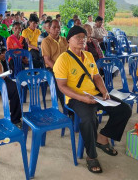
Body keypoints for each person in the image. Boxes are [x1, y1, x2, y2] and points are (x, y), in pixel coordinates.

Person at [54, 26, 132, 174]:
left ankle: (102, 137)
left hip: (95, 94)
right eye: (78, 37)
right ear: (68, 40)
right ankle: (91, 156)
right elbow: (62, 87)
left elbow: (96, 76)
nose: (82, 40)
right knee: (89, 119)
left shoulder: (89, 55)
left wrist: (104, 92)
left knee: (124, 109)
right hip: (76, 97)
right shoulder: (62, 59)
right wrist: (82, 98)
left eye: (84, 37)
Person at [41, 19, 68, 108]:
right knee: (60, 82)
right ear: (49, 28)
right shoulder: (46, 41)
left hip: (65, 67)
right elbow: (47, 60)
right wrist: (58, 70)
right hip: (52, 68)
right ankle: (65, 108)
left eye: (58, 27)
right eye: (54, 27)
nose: (57, 29)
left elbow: (69, 55)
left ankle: (72, 106)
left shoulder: (64, 40)